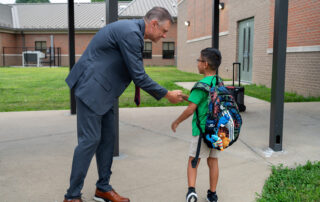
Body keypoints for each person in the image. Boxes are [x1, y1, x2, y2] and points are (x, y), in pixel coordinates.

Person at [64, 7, 183, 202]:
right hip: (92, 89)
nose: (164, 36)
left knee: (108, 140)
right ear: (154, 24)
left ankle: (103, 188)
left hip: (106, 93)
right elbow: (139, 76)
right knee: (89, 141)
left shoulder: (133, 31)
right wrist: (167, 94)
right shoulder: (130, 33)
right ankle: (72, 196)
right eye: (164, 31)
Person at [171, 48, 222, 202]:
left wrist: (177, 121)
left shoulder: (201, 84)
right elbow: (204, 101)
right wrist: (188, 97)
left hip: (202, 131)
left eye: (199, 60)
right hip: (218, 130)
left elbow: (191, 109)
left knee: (193, 160)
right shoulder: (218, 81)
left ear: (205, 64)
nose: (197, 63)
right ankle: (212, 194)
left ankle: (191, 192)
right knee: (213, 161)